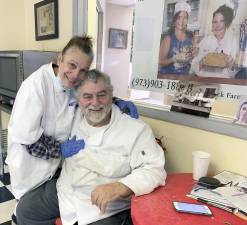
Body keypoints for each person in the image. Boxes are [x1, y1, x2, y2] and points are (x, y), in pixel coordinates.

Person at [6, 35, 138, 222]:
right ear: (60, 59)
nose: (76, 74)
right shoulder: (36, 86)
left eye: (83, 70)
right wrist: (60, 150)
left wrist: (116, 102)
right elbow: (28, 140)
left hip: (59, 172)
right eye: (72, 65)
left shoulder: (75, 84)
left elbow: (92, 97)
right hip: (32, 170)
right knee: (28, 209)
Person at [16, 69, 166, 225]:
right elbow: (30, 135)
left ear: (111, 95)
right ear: (78, 99)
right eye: (87, 96)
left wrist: (121, 186)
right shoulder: (74, 119)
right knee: (25, 210)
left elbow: (154, 170)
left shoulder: (136, 130)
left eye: (102, 95)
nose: (95, 103)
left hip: (107, 206)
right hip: (66, 191)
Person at [190, 4, 238, 78]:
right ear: (212, 24)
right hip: (204, 80)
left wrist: (231, 65)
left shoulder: (232, 41)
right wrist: (201, 63)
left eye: (221, 21)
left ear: (226, 23)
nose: (217, 25)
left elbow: (232, 73)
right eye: (215, 22)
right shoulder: (205, 40)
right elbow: (194, 67)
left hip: (223, 82)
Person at [159, 1, 193, 75]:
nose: (182, 21)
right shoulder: (168, 38)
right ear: (175, 20)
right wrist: (174, 59)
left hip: (184, 78)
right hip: (168, 77)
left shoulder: (190, 38)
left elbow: (190, 58)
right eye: (179, 17)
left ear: (187, 20)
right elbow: (161, 62)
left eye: (185, 18)